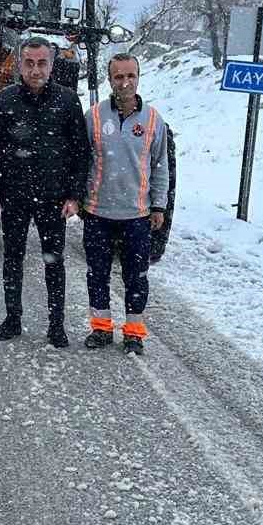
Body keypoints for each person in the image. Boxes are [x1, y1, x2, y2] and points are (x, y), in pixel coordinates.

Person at [0, 35, 90, 348]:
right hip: (14, 194)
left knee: (54, 261)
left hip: (53, 197)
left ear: (52, 65)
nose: (35, 69)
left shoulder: (68, 101)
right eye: (29, 63)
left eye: (42, 63)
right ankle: (12, 318)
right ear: (19, 64)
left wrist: (74, 195)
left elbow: (80, 152)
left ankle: (57, 325)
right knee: (12, 258)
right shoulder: (4, 100)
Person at [81, 52, 169, 356]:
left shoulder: (154, 120)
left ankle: (133, 332)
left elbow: (161, 166)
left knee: (136, 275)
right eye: (119, 76)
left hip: (137, 214)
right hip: (98, 212)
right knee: (97, 273)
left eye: (131, 76)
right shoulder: (93, 116)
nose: (125, 82)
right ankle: (101, 328)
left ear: (138, 78)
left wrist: (159, 206)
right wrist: (78, 198)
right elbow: (81, 162)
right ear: (110, 80)